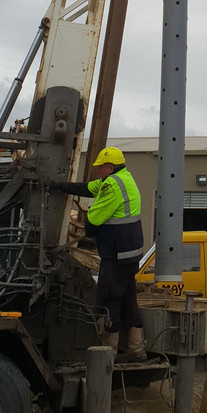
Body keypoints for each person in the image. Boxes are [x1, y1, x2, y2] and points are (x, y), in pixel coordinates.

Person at [52, 146, 146, 361]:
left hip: (116, 253)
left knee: (108, 298)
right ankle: (136, 349)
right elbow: (89, 188)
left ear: (110, 167)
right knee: (128, 298)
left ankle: (107, 355)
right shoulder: (123, 178)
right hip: (128, 254)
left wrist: (88, 231)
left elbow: (94, 219)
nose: (97, 171)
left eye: (100, 167)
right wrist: (61, 186)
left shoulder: (112, 185)